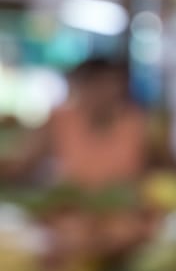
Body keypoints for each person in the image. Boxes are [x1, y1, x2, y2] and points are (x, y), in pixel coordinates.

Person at [2, 58, 148, 188]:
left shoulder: (135, 123)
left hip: (123, 212)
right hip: (66, 209)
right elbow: (23, 164)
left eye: (109, 85)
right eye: (95, 85)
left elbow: (151, 173)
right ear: (80, 86)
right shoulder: (60, 120)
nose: (103, 93)